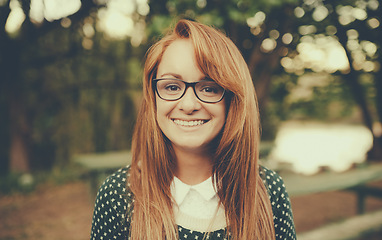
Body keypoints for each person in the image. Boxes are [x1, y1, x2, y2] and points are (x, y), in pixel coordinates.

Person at [91, 19, 296, 240]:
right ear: (153, 98)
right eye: (171, 87)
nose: (188, 105)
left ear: (232, 100)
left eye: (208, 88)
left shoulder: (268, 190)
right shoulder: (118, 195)